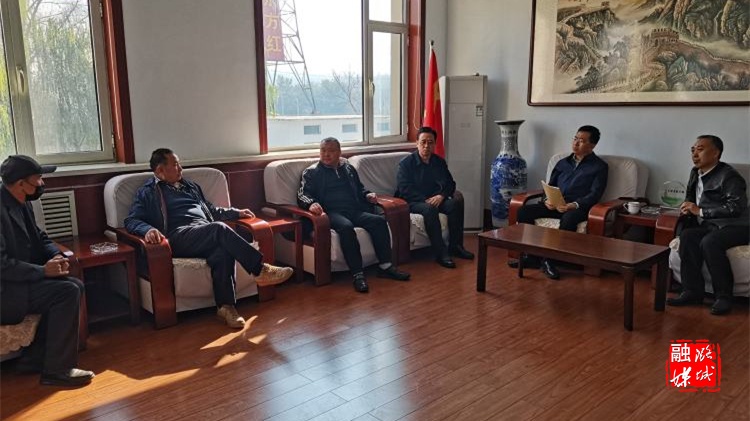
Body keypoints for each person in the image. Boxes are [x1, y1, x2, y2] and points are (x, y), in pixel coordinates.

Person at [125, 148, 293, 328]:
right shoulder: (148, 192)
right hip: (178, 237)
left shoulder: (191, 187)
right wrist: (148, 229)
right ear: (160, 170)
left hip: (204, 232)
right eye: (175, 165)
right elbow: (131, 220)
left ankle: (226, 308)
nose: (180, 168)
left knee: (222, 251)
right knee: (218, 229)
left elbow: (211, 211)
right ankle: (259, 270)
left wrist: (235, 213)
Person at [1, 155, 95, 387]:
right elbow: (2, 264)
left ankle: (34, 359)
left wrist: (56, 256)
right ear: (21, 183)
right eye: (38, 178)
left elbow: (40, 237)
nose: (42, 183)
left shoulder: (22, 201)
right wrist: (43, 271)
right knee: (67, 292)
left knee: (74, 285)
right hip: (5, 290)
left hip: (20, 281)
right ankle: (57, 371)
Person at [298, 137, 410, 293]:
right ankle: (358, 274)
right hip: (330, 212)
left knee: (378, 221)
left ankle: (385, 266)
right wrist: (311, 203)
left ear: (339, 152)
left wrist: (367, 195)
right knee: (346, 227)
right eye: (323, 150)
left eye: (331, 151)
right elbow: (303, 194)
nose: (326, 154)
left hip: (353, 210)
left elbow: (360, 189)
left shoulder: (348, 169)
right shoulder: (311, 172)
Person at [511, 125, 608, 280]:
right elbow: (550, 186)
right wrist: (547, 200)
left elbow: (595, 194)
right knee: (524, 211)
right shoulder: (562, 162)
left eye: (582, 141)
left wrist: (574, 205)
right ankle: (532, 257)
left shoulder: (599, 167)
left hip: (577, 208)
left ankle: (550, 261)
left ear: (592, 145)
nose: (576, 143)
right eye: (575, 138)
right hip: (555, 204)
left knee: (569, 219)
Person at [666, 135, 749, 315]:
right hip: (710, 225)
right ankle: (691, 292)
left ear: (716, 153)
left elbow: (736, 207)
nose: (695, 154)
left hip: (737, 226)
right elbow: (690, 197)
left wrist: (700, 211)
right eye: (693, 150)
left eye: (700, 149)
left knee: (710, 242)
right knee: (687, 236)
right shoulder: (695, 172)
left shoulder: (729, 176)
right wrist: (687, 208)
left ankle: (723, 297)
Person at [396, 126, 474, 268]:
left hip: (436, 199)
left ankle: (456, 246)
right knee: (430, 209)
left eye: (430, 142)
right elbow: (405, 189)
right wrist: (426, 200)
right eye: (423, 142)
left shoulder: (439, 162)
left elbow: (450, 184)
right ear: (417, 143)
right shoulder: (406, 164)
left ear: (434, 144)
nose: (427, 146)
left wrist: (441, 196)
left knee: (455, 204)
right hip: (413, 201)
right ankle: (440, 253)